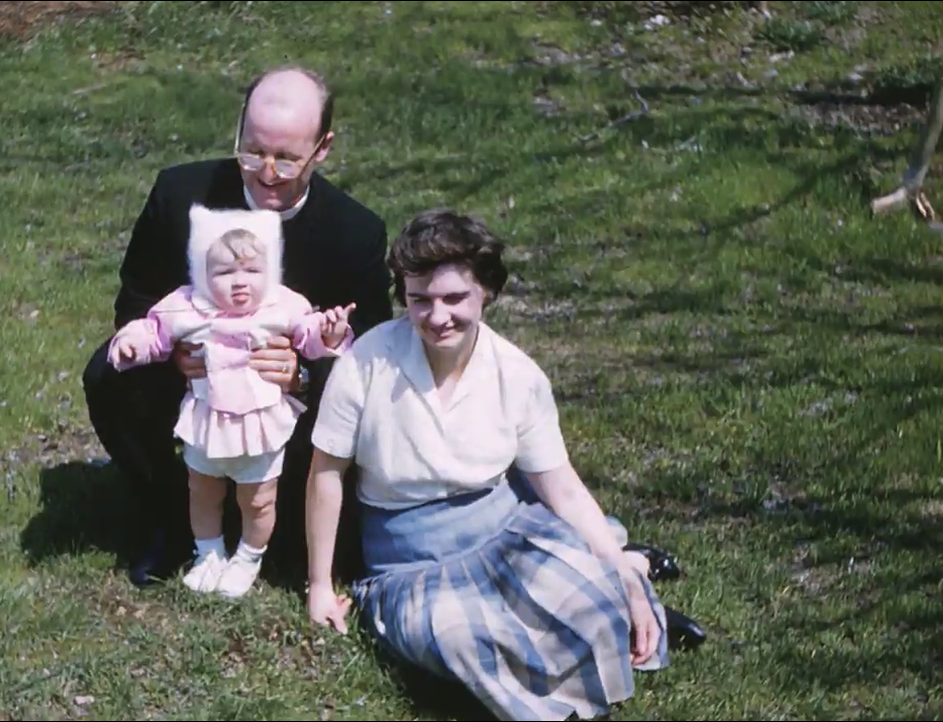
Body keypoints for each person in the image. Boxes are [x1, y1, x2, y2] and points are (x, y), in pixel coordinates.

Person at [304, 209, 702, 721]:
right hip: (409, 565)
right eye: (419, 298)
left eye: (454, 298)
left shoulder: (516, 372)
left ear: (486, 292)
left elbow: (560, 486)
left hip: (505, 535)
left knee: (601, 605)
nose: (436, 315)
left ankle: (633, 566)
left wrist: (621, 576)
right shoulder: (366, 362)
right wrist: (319, 585)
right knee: (466, 641)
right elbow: (326, 474)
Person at [82, 64, 396, 588]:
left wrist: (303, 376)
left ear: (323, 149)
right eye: (253, 152)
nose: (267, 172)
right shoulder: (180, 193)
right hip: (192, 372)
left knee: (343, 417)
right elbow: (135, 301)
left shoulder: (354, 231)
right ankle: (171, 518)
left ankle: (282, 524)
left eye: (288, 158)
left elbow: (372, 352)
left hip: (285, 400)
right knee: (108, 375)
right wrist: (174, 351)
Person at [106, 203, 357, 598]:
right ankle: (208, 553)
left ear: (270, 272)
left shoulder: (283, 305)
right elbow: (153, 330)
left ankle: (248, 556)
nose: (240, 283)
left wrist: (328, 332)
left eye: (252, 271)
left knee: (258, 499)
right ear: (203, 274)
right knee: (202, 490)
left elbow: (308, 335)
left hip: (260, 422)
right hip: (207, 420)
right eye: (224, 272)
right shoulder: (186, 305)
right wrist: (132, 344)